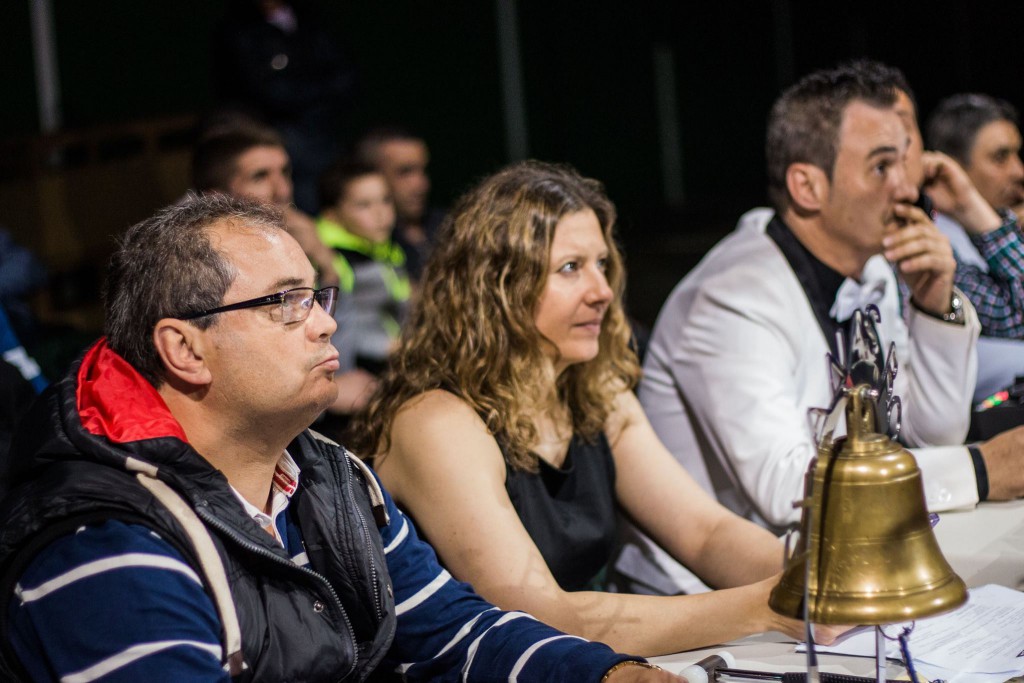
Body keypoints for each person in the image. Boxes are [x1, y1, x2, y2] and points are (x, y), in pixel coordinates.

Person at [0, 194, 678, 682]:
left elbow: (454, 634)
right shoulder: (105, 542)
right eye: (286, 302)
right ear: (185, 349)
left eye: (319, 297)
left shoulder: (331, 478)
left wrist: (610, 672)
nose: (326, 324)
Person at [349, 161, 842, 657]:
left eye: (602, 264)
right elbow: (539, 615)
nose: (602, 291)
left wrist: (827, 573)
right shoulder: (435, 422)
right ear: (496, 287)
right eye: (571, 268)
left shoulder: (594, 391)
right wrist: (766, 607)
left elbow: (704, 533)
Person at [620, 62, 1024, 596]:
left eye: (905, 160)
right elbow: (787, 487)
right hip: (709, 605)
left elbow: (929, 433)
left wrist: (935, 307)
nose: (907, 188)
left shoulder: (874, 270)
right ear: (807, 186)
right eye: (882, 167)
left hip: (834, 561)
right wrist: (978, 470)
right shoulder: (729, 297)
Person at [925, 93, 1024, 396]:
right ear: (951, 168)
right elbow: (1015, 319)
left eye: (1017, 155)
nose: (1018, 172)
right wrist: (978, 214)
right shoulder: (933, 242)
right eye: (1000, 157)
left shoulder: (1002, 231)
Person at [192, 119, 340, 288]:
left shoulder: (306, 235)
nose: (283, 191)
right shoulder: (201, 270)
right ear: (216, 199)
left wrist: (326, 267)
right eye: (260, 176)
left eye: (285, 172)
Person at [316, 159, 410, 420]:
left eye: (386, 200)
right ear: (331, 215)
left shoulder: (385, 251)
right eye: (363, 205)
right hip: (352, 390)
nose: (381, 213)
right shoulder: (333, 262)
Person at [355, 127, 446, 281]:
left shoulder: (448, 225)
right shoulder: (358, 246)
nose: (421, 184)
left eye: (422, 170)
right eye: (405, 172)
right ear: (371, 176)